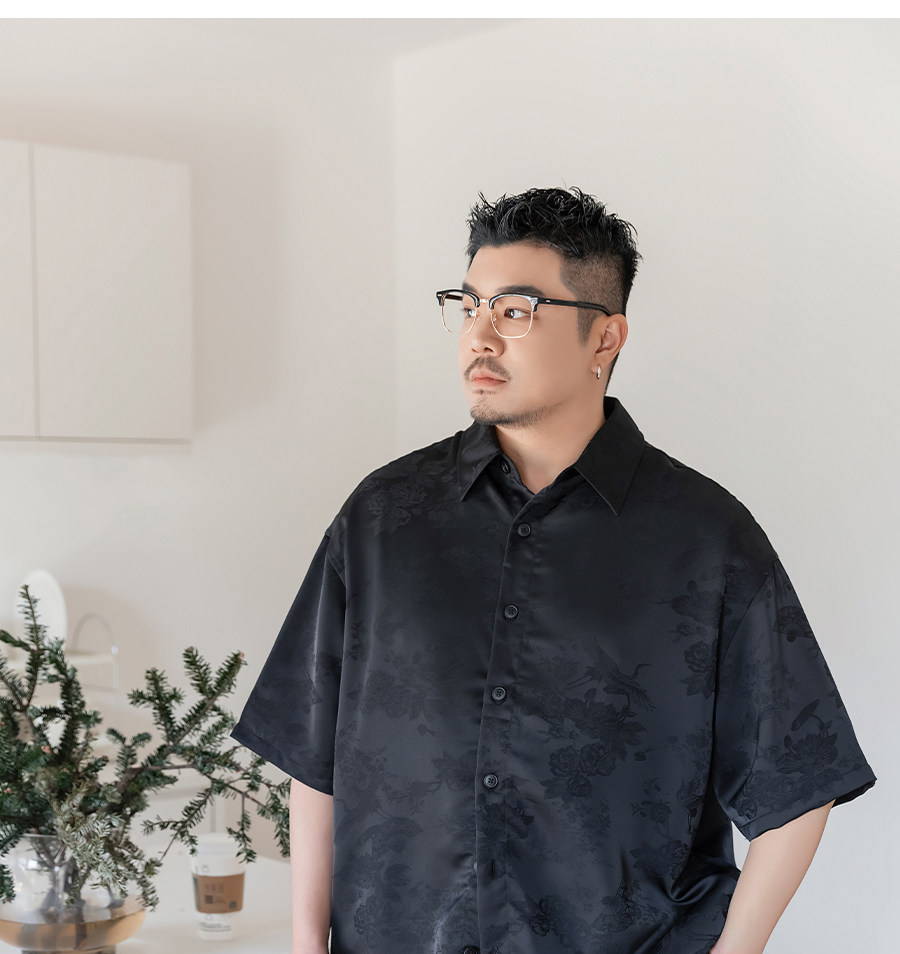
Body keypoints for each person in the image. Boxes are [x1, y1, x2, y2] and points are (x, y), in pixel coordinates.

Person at [232, 187, 875, 954]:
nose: (479, 335)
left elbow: (798, 778)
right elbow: (315, 754)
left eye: (515, 310)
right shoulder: (383, 516)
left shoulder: (706, 537)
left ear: (605, 336)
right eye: (468, 305)